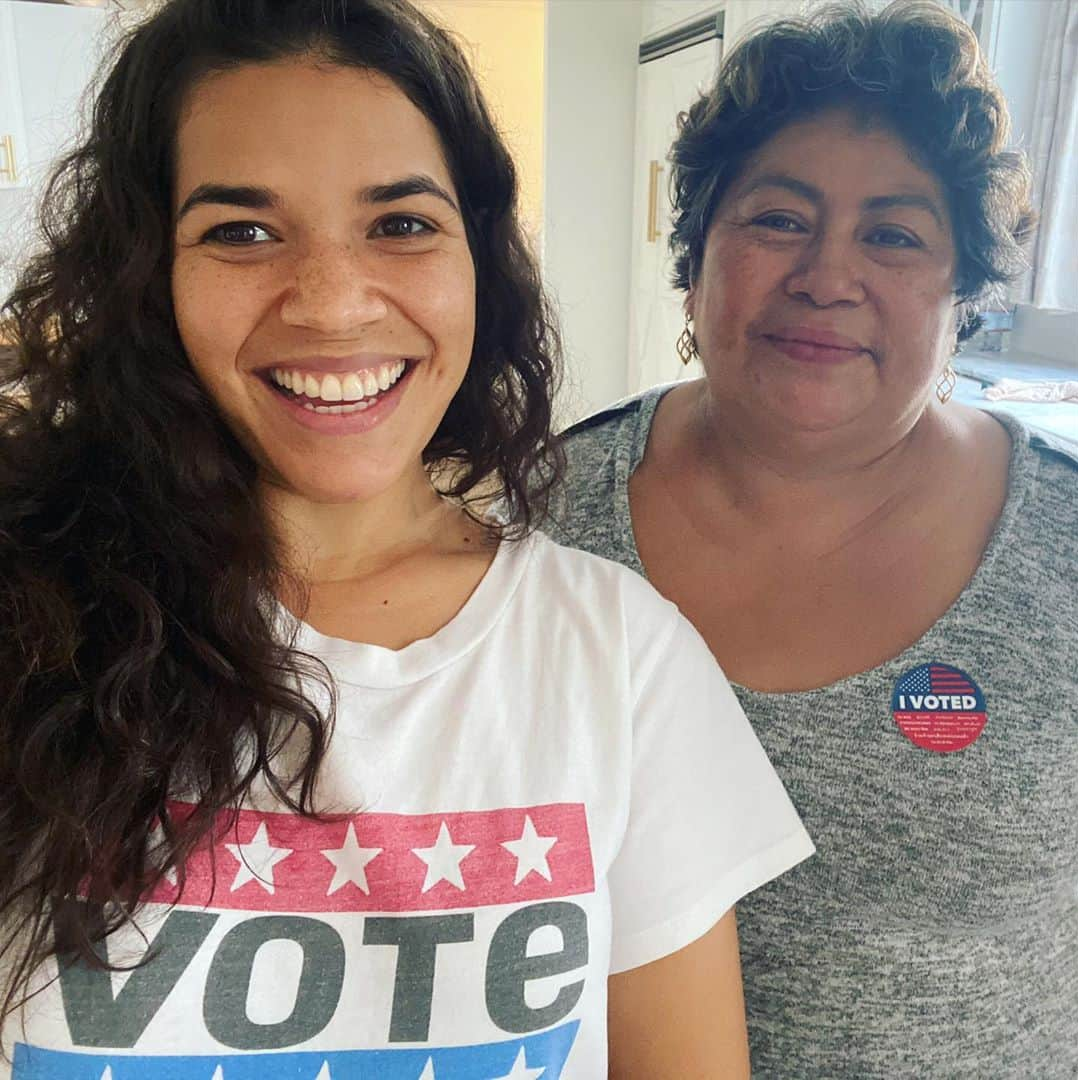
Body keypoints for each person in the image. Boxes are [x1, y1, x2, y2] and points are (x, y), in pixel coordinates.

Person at [0, 1, 815, 1077]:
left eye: (401, 223)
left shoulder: (622, 658)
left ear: (479, 256)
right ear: (152, 272)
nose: (334, 305)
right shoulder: (29, 611)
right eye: (241, 231)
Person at [552, 1, 1078, 1076]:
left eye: (893, 234)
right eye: (778, 220)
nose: (826, 277)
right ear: (695, 260)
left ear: (963, 293)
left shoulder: (1065, 549)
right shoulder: (540, 521)